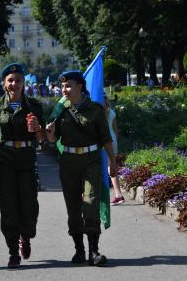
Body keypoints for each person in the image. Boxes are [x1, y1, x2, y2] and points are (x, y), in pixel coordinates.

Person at [45, 71, 116, 266]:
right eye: (62, 86)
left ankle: (94, 251)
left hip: (91, 160)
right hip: (68, 162)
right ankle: (79, 249)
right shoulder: (60, 110)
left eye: (68, 85)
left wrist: (113, 161)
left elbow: (106, 138)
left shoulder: (95, 109)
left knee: (91, 202)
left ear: (80, 87)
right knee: (73, 208)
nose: (64, 90)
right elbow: (52, 140)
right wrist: (50, 134)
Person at [0, 63, 45, 268]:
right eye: (10, 80)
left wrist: (37, 129)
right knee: (8, 206)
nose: (14, 83)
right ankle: (12, 252)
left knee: (29, 205)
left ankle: (25, 237)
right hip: (3, 159)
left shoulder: (34, 105)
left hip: (26, 158)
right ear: (3, 83)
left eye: (18, 80)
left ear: (23, 83)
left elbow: (44, 139)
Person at [103, 96, 124, 205]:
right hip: (113, 140)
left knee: (108, 168)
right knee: (112, 166)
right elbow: (116, 131)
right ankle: (118, 194)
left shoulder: (98, 113)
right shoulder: (111, 112)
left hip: (104, 141)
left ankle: (118, 195)